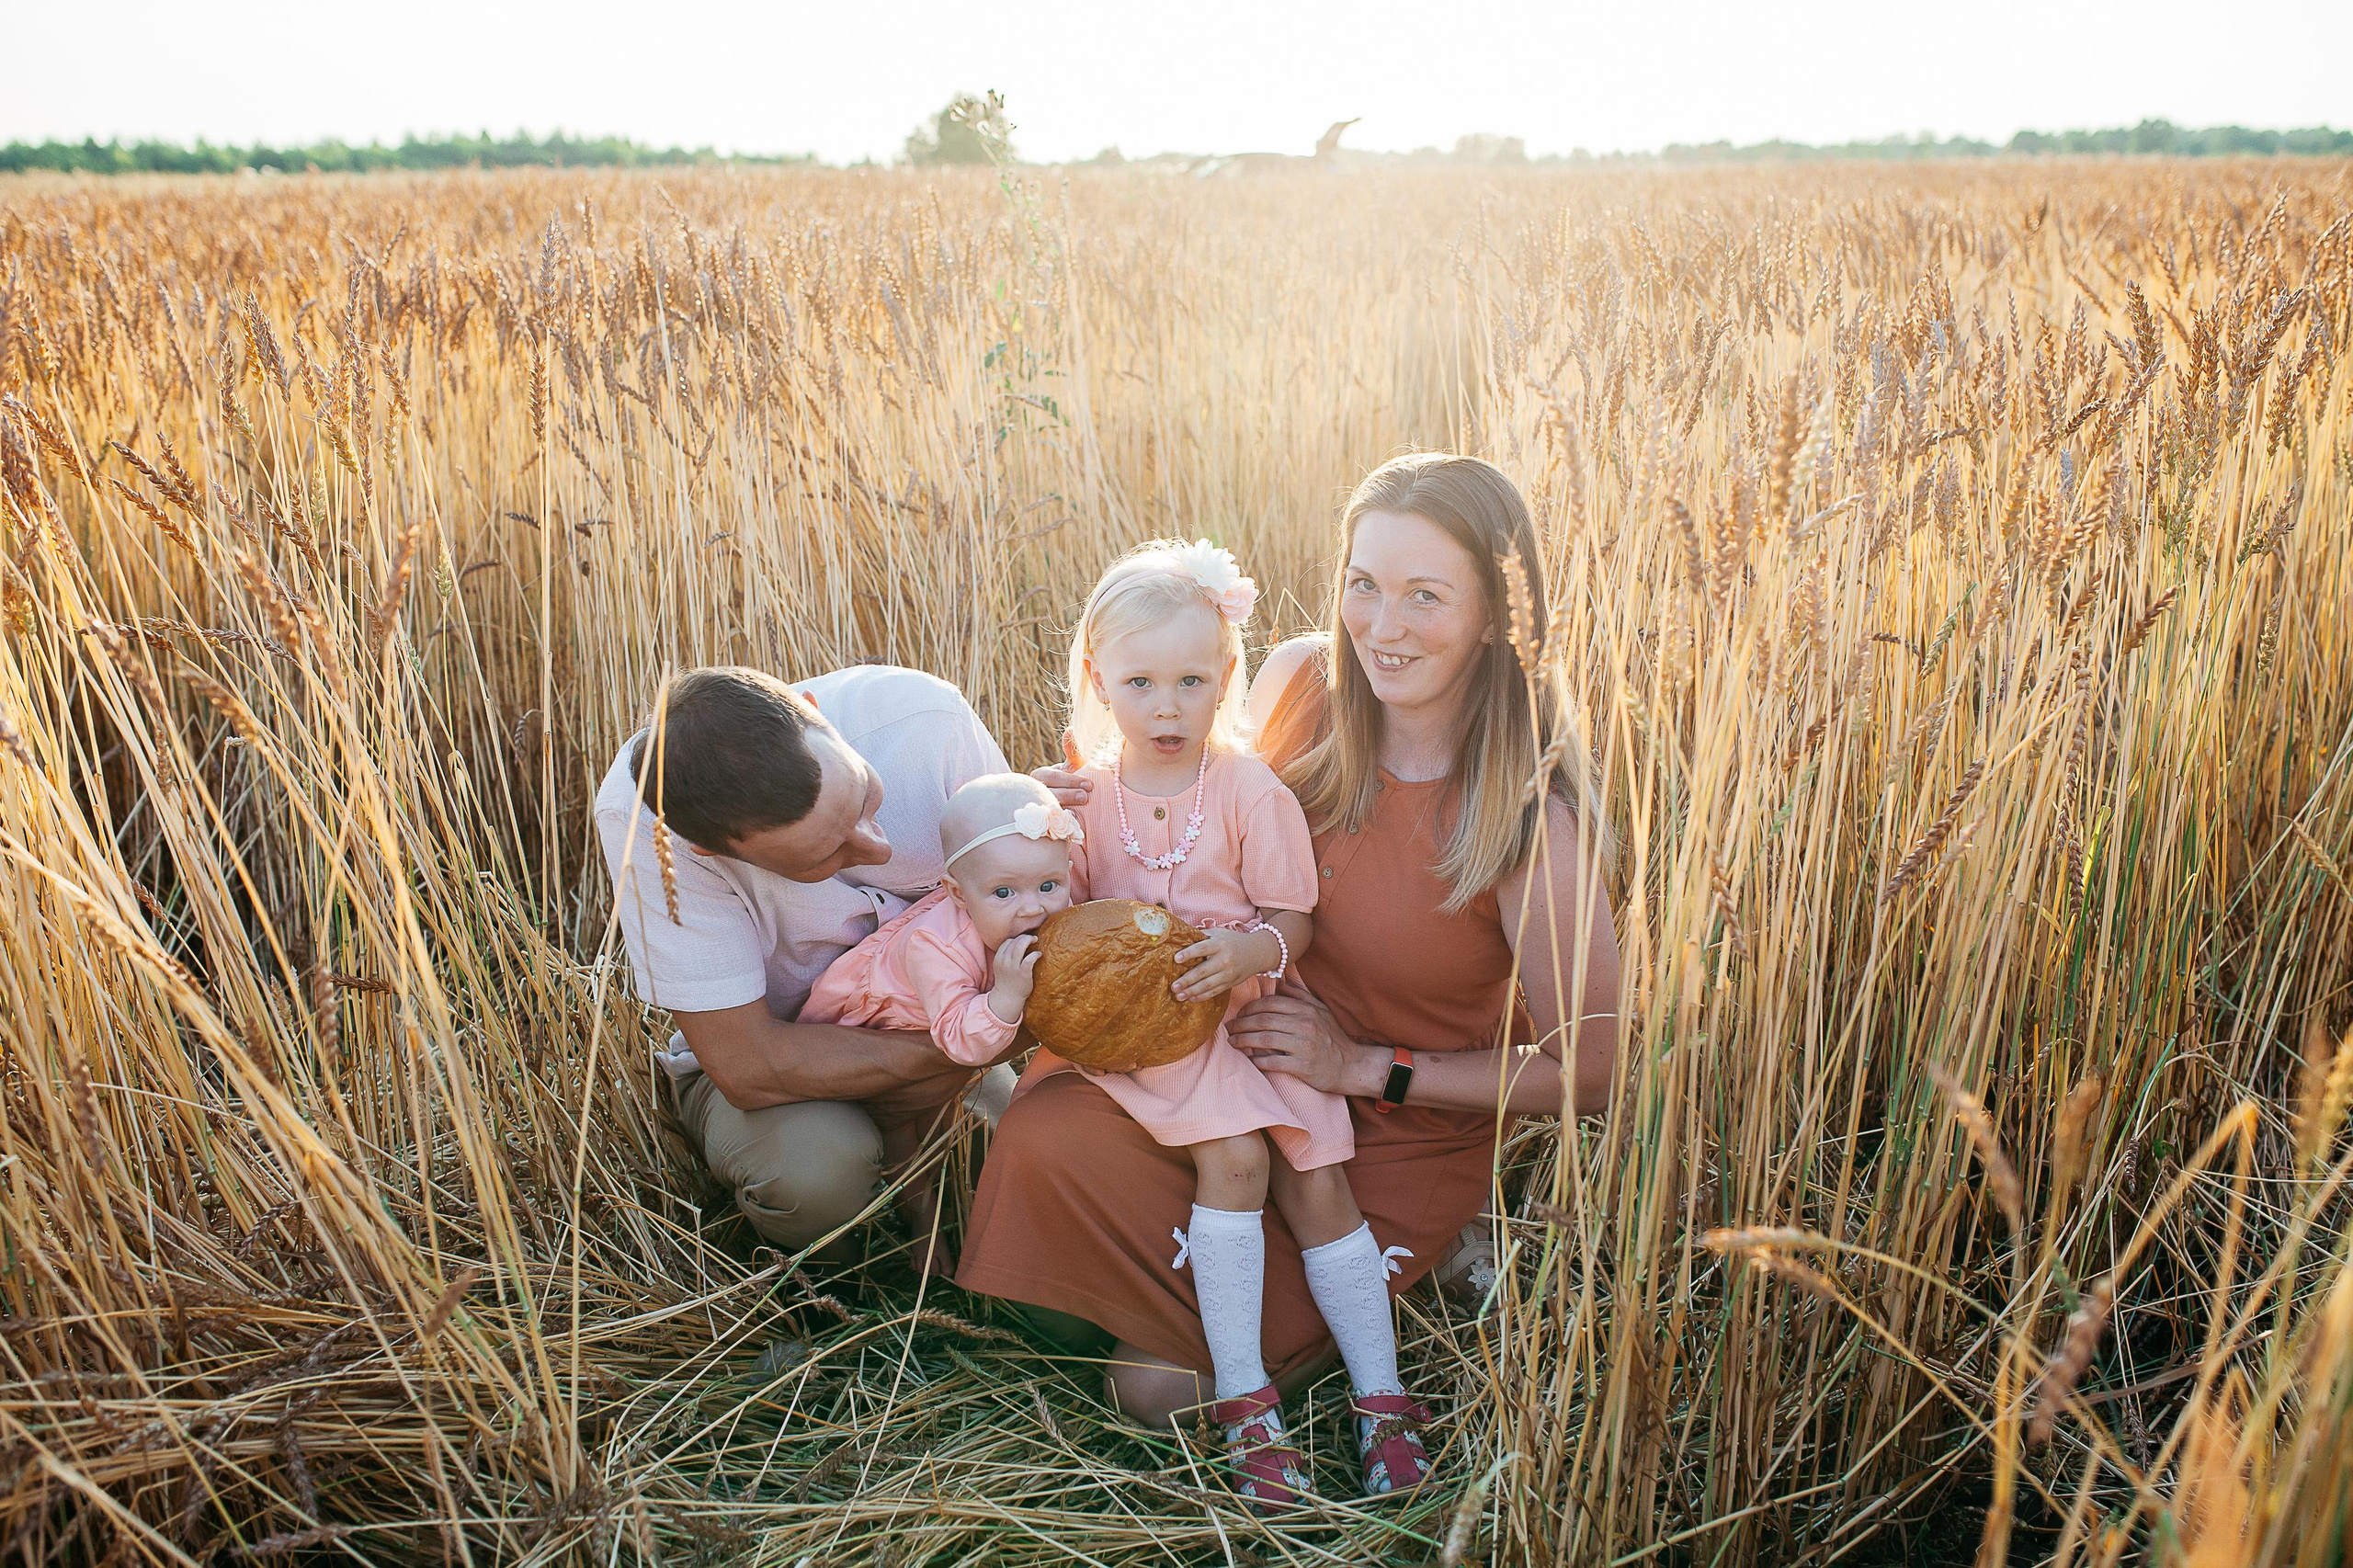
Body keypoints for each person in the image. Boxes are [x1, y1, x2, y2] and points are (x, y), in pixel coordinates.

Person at [960, 453, 1622, 1484]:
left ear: (1497, 614)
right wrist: (1062, 811)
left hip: (1389, 1123)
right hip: (1227, 1053)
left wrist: (1367, 1066)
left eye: (1424, 595)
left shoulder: (1533, 823)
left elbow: (1591, 1070)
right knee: (1044, 1136)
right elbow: (1194, 827)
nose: (1382, 624)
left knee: (1156, 1394)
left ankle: (1414, 1285)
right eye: (1364, 582)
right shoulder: (1303, 682)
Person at [1026, 538, 1431, 1506]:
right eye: (1140, 682)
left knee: (1317, 1167)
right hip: (1155, 1027)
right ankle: (1247, 1398)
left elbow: (1291, 917)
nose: (1167, 706)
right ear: (1098, 680)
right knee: (1239, 1159)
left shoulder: (1248, 787)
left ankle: (1381, 1396)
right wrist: (1032, 816)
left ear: (1225, 679)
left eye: (1192, 680)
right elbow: (1059, 913)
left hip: (1246, 1006)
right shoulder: (1087, 793)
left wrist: (1252, 952)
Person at [595, 663, 1018, 1263]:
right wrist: (950, 1054)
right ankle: (854, 1302)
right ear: (714, 852)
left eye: (865, 796)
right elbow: (749, 1064)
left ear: (815, 710)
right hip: (791, 1070)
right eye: (828, 853)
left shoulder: (927, 721)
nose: (879, 847)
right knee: (817, 1177)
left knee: (1032, 1164)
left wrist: (957, 1052)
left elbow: (1038, 917)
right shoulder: (647, 824)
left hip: (952, 1021)